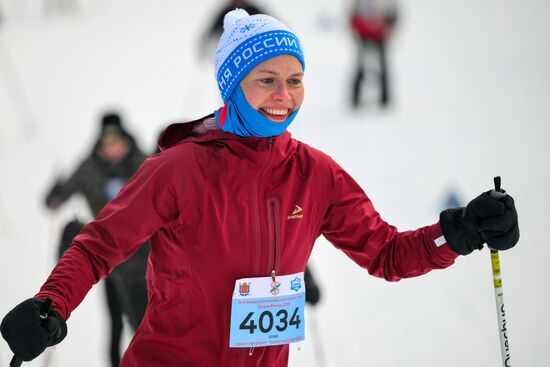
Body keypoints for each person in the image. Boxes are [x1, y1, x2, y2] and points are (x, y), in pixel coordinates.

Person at [1, 9, 519, 367]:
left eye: (294, 80)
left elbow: (386, 253)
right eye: (265, 80)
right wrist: (51, 305)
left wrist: (462, 231)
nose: (283, 95)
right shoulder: (177, 169)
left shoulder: (316, 175)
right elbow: (98, 246)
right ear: (233, 85)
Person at [43, 112, 150, 367]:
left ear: (127, 140)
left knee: (145, 326)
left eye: (117, 142)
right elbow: (53, 202)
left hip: (144, 264)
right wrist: (55, 193)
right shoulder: (89, 168)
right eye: (107, 143)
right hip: (108, 263)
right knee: (114, 326)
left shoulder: (145, 163)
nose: (112, 149)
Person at [349, 0, 398, 108]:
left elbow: (394, 14)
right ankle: (355, 99)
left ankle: (385, 99)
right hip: (364, 34)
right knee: (360, 67)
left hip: (380, 36)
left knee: (383, 66)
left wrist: (390, 27)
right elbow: (353, 14)